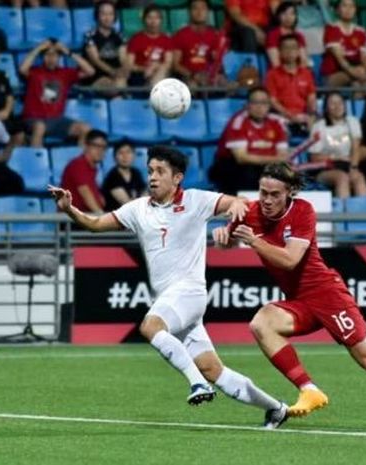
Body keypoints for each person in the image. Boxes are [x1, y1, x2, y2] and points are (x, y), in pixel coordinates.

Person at [49, 145, 289, 429]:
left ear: (177, 178)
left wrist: (237, 205)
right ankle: (276, 408)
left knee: (151, 327)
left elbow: (235, 202)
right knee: (214, 369)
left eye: (160, 171)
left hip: (189, 291)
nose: (153, 177)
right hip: (173, 300)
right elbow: (95, 223)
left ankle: (197, 385)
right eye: (150, 170)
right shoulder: (138, 209)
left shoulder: (195, 200)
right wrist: (70, 209)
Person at [212, 162, 366, 432]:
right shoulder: (249, 212)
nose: (267, 200)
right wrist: (223, 237)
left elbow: (291, 260)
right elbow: (228, 244)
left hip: (327, 295)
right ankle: (309, 389)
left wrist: (255, 241)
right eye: (263, 192)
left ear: (290, 193)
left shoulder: (303, 211)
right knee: (262, 323)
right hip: (298, 300)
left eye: (275, 194)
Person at [210, 86, 289, 196]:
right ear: (247, 105)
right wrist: (275, 159)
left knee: (283, 173)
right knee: (247, 172)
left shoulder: (277, 122)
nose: (259, 107)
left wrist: (277, 161)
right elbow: (241, 158)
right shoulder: (238, 122)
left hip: (262, 166)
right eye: (255, 102)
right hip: (232, 166)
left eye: (263, 103)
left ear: (269, 106)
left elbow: (283, 155)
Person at [20, 40, 94, 147]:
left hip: (57, 120)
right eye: (47, 55)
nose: (51, 58)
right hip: (34, 119)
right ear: (42, 57)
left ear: (59, 58)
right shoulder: (35, 72)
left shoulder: (65, 73)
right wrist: (38, 48)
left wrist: (68, 52)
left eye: (54, 55)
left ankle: (78, 161)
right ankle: (36, 161)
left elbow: (90, 71)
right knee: (40, 127)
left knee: (86, 128)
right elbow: (22, 69)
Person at [308, 92, 366, 199]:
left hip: (347, 165)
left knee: (358, 177)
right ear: (326, 108)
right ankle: (344, 214)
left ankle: (365, 213)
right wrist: (336, 158)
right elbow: (314, 158)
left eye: (340, 102)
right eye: (332, 103)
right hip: (325, 169)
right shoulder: (318, 126)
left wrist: (354, 168)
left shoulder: (352, 121)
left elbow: (356, 148)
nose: (337, 106)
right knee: (342, 177)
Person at [264, 34, 317, 136]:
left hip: (302, 115)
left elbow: (311, 98)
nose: (290, 51)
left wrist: (311, 115)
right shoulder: (272, 74)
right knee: (279, 128)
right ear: (280, 52)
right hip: (281, 116)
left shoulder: (306, 73)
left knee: (319, 127)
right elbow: (273, 101)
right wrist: (290, 116)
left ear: (298, 52)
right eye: (286, 48)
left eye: (293, 48)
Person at [171, 0, 226, 88]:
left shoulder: (214, 35)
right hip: (188, 77)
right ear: (189, 12)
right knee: (192, 86)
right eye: (195, 8)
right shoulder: (180, 35)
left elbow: (218, 62)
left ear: (207, 12)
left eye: (203, 8)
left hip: (208, 76)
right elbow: (175, 65)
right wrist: (193, 75)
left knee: (226, 83)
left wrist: (213, 74)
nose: (199, 12)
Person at [320, 0, 366, 91]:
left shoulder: (361, 31)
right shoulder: (331, 29)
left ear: (355, 10)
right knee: (359, 79)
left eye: (352, 6)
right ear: (337, 10)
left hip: (356, 73)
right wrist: (360, 74)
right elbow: (341, 60)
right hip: (332, 75)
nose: (348, 9)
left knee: (358, 85)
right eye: (344, 6)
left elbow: (365, 58)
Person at [81, 0, 129, 90]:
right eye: (103, 14)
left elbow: (123, 58)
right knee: (112, 85)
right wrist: (112, 71)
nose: (107, 18)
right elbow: (96, 60)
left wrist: (123, 71)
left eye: (111, 14)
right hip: (96, 76)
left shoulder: (120, 36)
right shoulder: (90, 35)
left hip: (116, 75)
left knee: (121, 81)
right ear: (97, 16)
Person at [61, 130, 108, 214]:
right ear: (86, 146)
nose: (100, 151)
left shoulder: (92, 168)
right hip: (72, 221)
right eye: (96, 146)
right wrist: (102, 219)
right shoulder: (79, 164)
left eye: (103, 147)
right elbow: (85, 193)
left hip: (83, 218)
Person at [126, 5, 173, 87]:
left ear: (161, 20)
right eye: (149, 18)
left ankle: (153, 89)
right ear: (144, 20)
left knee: (162, 69)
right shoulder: (136, 39)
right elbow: (130, 64)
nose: (153, 21)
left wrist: (155, 66)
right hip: (140, 75)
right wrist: (144, 69)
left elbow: (168, 63)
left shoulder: (166, 40)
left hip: (161, 74)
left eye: (156, 18)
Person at [102, 142, 146, 211]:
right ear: (115, 157)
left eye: (128, 152)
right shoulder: (113, 176)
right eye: (121, 153)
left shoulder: (136, 173)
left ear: (134, 156)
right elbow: (127, 204)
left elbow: (145, 196)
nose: (125, 156)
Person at [265, 1, 308, 69]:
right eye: (284, 13)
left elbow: (303, 61)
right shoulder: (273, 35)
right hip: (279, 74)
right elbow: (275, 63)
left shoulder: (299, 36)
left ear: (295, 17)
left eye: (292, 14)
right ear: (278, 16)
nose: (288, 17)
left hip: (297, 73)